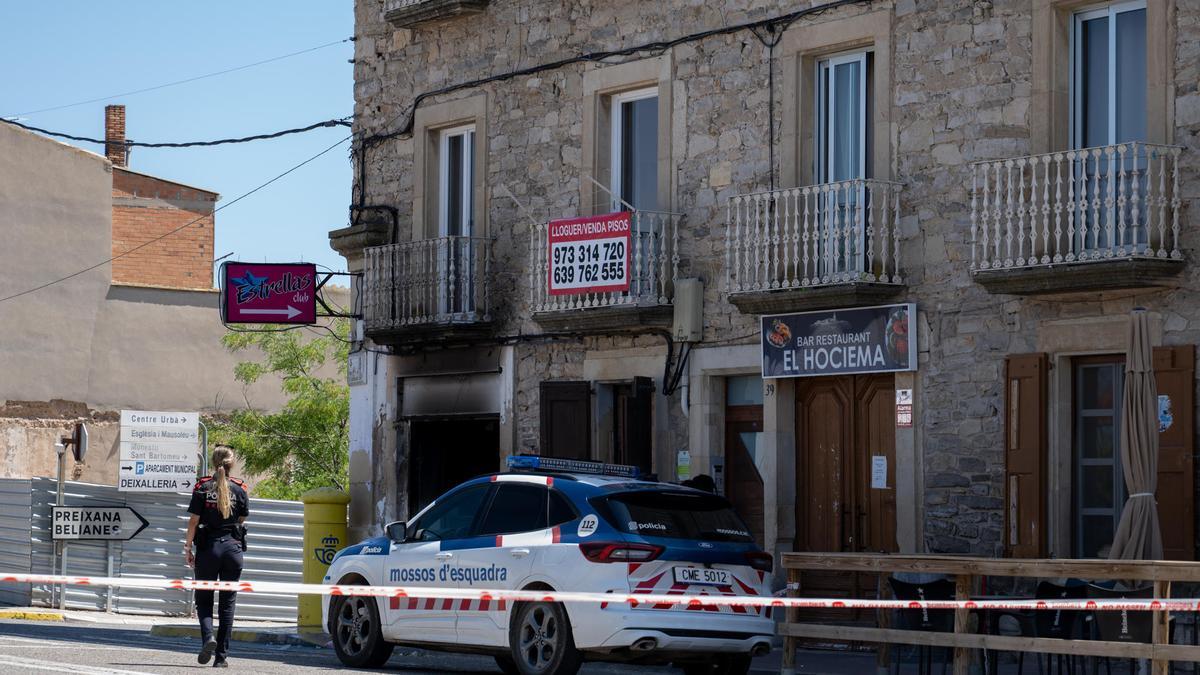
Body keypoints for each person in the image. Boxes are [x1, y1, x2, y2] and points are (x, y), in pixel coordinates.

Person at [184, 446, 249, 668]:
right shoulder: (240, 490)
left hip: (208, 550)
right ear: (231, 464)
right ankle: (221, 658)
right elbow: (241, 521)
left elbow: (193, 521)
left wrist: (188, 547)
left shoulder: (202, 487)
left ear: (213, 462)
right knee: (227, 605)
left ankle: (208, 638)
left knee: (203, 600)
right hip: (232, 551)